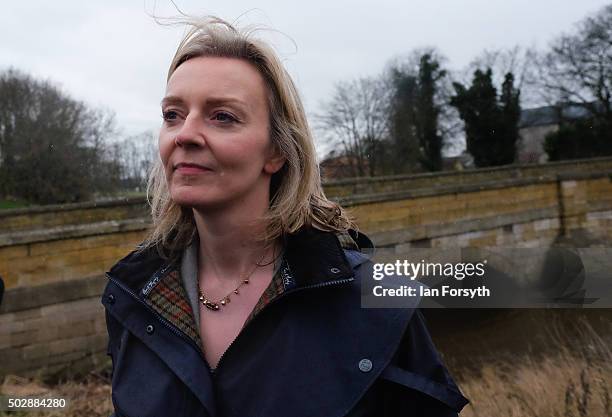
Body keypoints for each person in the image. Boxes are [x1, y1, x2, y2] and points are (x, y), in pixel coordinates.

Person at [102, 16, 468, 417]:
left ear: (277, 151)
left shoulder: (377, 305)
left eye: (222, 116)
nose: (184, 134)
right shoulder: (134, 298)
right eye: (172, 114)